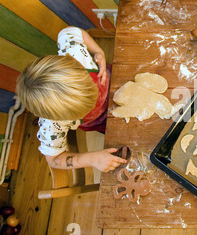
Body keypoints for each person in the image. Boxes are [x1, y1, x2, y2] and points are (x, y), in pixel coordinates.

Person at [16, 27, 127, 172]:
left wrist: (98, 51)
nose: (94, 100)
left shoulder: (76, 55)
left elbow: (70, 31)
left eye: (90, 87)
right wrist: (93, 159)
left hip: (119, 82)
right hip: (104, 121)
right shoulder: (53, 126)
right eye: (84, 108)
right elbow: (54, 159)